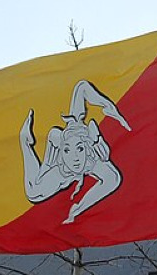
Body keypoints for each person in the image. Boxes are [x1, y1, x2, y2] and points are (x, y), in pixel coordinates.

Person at [19, 80, 131, 223]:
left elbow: (82, 87)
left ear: (86, 147)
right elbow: (48, 163)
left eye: (79, 149)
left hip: (82, 142)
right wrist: (46, 168)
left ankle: (35, 145)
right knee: (33, 192)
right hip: (58, 161)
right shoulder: (60, 170)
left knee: (114, 177)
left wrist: (110, 109)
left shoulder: (92, 161)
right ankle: (25, 141)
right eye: (67, 150)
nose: (75, 158)